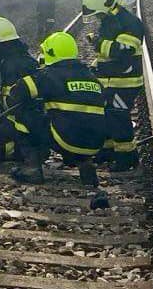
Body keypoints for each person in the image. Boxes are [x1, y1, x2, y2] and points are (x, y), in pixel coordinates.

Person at [7, 30, 109, 208]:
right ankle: (86, 166)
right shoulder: (93, 78)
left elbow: (17, 93)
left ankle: (32, 169)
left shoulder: (49, 75)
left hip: (66, 140)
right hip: (94, 144)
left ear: (51, 52)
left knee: (25, 115)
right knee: (74, 120)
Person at [81, 0, 144, 172]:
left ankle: (127, 157)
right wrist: (94, 68)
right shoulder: (109, 21)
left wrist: (99, 43)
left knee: (118, 117)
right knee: (106, 115)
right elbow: (106, 56)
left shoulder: (130, 23)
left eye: (99, 13)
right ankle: (107, 152)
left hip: (126, 81)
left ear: (108, 5)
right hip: (111, 80)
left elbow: (122, 50)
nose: (98, 17)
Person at [0, 17, 45, 183]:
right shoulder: (24, 60)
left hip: (24, 124)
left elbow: (12, 105)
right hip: (36, 125)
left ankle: (19, 153)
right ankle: (21, 149)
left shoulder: (10, 66)